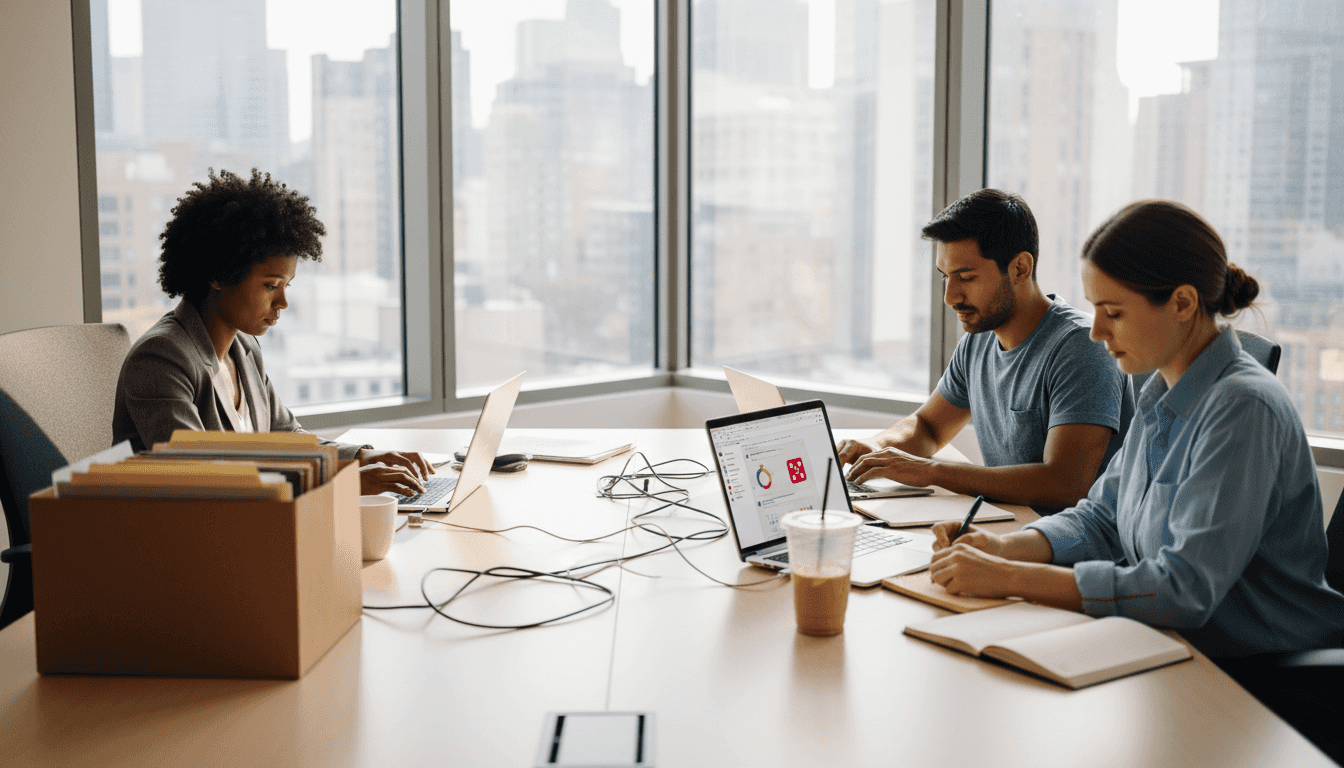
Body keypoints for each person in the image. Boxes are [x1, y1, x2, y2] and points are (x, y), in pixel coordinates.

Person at [927, 199, 1344, 657]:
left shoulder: (1244, 409)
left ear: (1182, 303)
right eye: (1095, 309)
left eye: (1115, 312)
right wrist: (1005, 547)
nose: (1097, 331)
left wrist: (1010, 578)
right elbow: (1101, 517)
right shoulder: (1161, 393)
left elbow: (1183, 589)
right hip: (1169, 644)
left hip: (1255, 674)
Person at [112, 168, 431, 497]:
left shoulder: (244, 348)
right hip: (183, 537)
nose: (283, 302)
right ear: (219, 274)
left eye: (286, 286)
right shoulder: (161, 358)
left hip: (252, 525)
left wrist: (361, 457)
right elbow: (200, 472)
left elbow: (287, 437)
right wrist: (341, 478)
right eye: (270, 286)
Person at [838, 189, 1132, 511]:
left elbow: (1063, 486)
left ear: (1020, 268)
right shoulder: (979, 340)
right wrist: (876, 448)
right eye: (945, 278)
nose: (950, 297)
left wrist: (931, 472)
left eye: (966, 277)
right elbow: (929, 427)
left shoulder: (1081, 348)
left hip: (1071, 551)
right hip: (1014, 527)